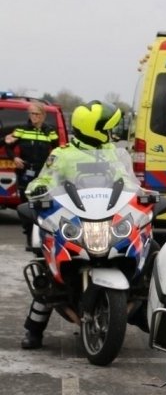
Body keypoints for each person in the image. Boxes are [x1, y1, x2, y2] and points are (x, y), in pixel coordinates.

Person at [19, 101, 123, 349]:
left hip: (105, 217)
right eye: (106, 128)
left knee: (143, 254)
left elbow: (126, 179)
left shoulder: (112, 152)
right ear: (94, 128)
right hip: (73, 219)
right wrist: (39, 188)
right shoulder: (62, 154)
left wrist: (142, 192)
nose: (110, 133)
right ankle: (34, 330)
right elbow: (42, 179)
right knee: (49, 276)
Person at [5, 101, 58, 246]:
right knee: (26, 206)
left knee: (43, 205)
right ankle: (29, 237)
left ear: (43, 115)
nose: (33, 117)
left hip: (43, 175)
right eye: (31, 114)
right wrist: (14, 158)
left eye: (36, 114)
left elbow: (58, 149)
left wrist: (52, 163)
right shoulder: (22, 130)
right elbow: (8, 146)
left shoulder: (50, 131)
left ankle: (42, 237)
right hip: (25, 173)